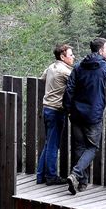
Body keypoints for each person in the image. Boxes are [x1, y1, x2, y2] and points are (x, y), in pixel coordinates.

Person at [63, 37, 106, 195]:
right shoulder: (104, 68)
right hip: (93, 115)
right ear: (101, 50)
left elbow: (69, 90)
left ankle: (81, 183)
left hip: (76, 114)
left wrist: (68, 109)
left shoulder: (78, 67)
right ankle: (76, 174)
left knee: (79, 147)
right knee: (92, 147)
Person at [36, 43, 75, 185]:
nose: (73, 57)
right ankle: (51, 177)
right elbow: (77, 83)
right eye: (70, 55)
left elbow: (42, 78)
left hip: (46, 108)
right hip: (56, 110)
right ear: (62, 56)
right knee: (53, 145)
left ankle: (40, 176)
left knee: (48, 143)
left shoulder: (51, 67)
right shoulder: (65, 71)